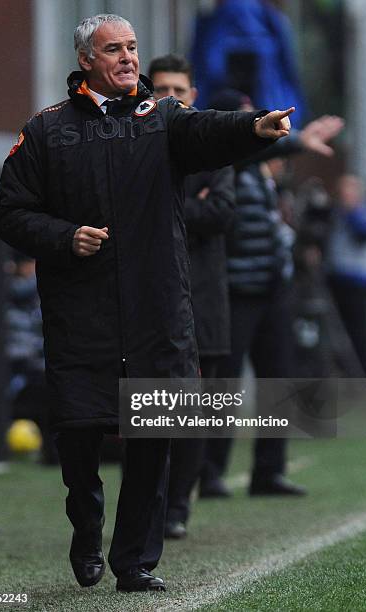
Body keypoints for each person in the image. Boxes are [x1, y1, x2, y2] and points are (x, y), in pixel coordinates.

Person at [0, 14, 294, 592]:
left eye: (133, 47)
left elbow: (208, 130)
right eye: (114, 49)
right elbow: (9, 212)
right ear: (87, 60)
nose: (129, 58)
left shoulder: (161, 118)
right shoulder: (47, 132)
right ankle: (86, 526)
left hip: (157, 310)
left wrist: (254, 127)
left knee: (154, 433)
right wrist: (64, 237)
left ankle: (135, 561)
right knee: (79, 433)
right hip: (81, 314)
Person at [199, 90, 343, 498]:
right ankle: (208, 472)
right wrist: (295, 141)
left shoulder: (258, 171)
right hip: (235, 290)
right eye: (247, 117)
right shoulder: (222, 159)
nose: (255, 123)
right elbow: (250, 152)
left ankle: (269, 471)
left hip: (272, 288)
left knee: (278, 378)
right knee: (221, 386)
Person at [148, 53, 236, 539]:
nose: (171, 98)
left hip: (203, 300)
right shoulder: (136, 146)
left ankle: (178, 505)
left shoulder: (213, 150)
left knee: (193, 412)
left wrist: (165, 209)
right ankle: (151, 506)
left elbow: (222, 212)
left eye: (178, 90)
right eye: (162, 90)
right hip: (152, 302)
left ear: (193, 96)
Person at [326, 174, 366, 376]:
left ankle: (361, 374)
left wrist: (350, 209)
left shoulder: (361, 213)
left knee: (357, 331)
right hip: (334, 278)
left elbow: (362, 231)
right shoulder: (335, 213)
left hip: (356, 282)